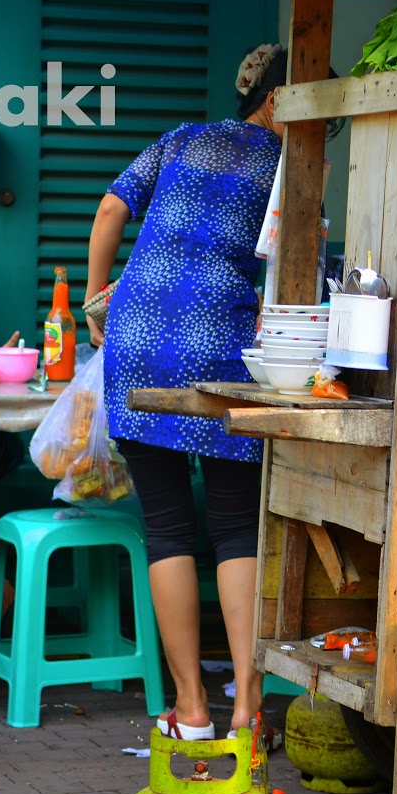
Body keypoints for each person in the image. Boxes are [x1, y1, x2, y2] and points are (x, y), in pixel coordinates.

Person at [84, 43, 284, 740]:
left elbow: (111, 208)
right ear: (277, 100)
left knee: (167, 525)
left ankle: (192, 709)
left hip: (136, 333)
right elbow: (291, 257)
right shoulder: (288, 161)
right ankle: (248, 713)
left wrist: (94, 300)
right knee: (235, 523)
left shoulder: (181, 139)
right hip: (218, 340)